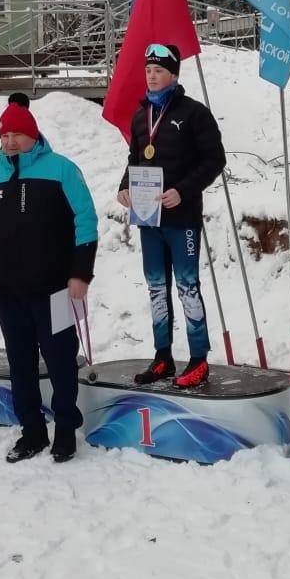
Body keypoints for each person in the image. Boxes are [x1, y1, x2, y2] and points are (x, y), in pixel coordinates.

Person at [0, 93, 98, 464]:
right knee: (20, 363)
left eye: (16, 135)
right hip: (9, 293)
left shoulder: (61, 170)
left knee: (60, 362)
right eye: (4, 136)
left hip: (57, 291)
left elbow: (85, 221)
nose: (9, 142)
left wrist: (80, 273)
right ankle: (32, 431)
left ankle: (66, 429)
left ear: (33, 135)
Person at [117, 43, 226, 388]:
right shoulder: (140, 116)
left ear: (174, 75)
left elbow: (214, 160)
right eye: (148, 70)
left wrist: (182, 190)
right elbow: (136, 157)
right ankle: (162, 356)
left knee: (187, 287)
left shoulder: (194, 113)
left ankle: (198, 359)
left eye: (159, 71)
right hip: (149, 219)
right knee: (156, 287)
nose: (152, 76)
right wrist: (125, 186)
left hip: (182, 219)